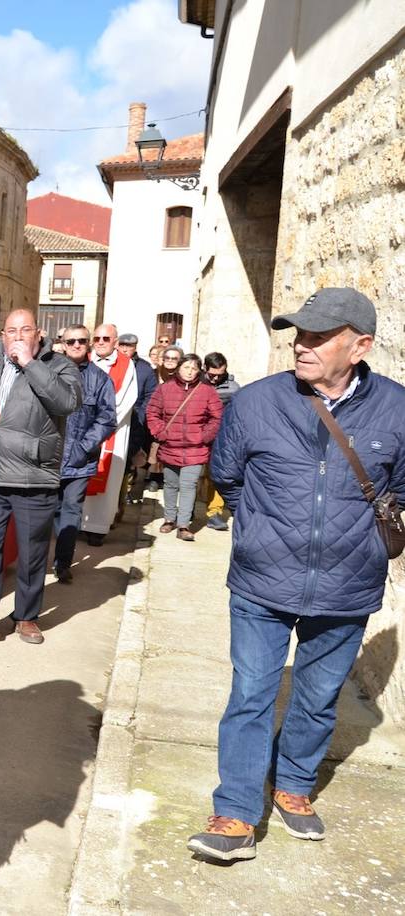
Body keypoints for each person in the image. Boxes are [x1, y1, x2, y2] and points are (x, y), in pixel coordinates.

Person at [187, 288, 405, 863]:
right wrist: (263, 531)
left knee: (317, 696)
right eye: (297, 334)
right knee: (252, 693)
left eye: (317, 336)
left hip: (349, 584)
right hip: (262, 582)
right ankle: (235, 812)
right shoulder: (255, 403)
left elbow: (400, 491)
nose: (300, 346)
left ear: (360, 346)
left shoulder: (397, 408)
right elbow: (227, 478)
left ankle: (294, 785)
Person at [0, 309, 81, 649]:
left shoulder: (59, 366)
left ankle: (26, 616)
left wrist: (30, 363)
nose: (18, 336)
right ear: (3, 334)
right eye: (11, 330)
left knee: (32, 552)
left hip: (33, 475)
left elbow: (66, 402)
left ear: (38, 335)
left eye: (25, 330)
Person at [53, 326, 116, 583]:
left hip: (80, 459)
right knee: (50, 510)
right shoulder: (49, 373)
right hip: (50, 456)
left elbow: (106, 419)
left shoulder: (100, 379)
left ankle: (63, 562)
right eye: (71, 341)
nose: (76, 345)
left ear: (88, 343)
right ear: (63, 344)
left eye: (81, 340)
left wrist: (81, 447)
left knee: (70, 510)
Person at [147, 353, 222, 541]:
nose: (190, 372)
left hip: (195, 448)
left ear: (199, 371)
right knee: (171, 484)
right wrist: (160, 432)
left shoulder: (207, 391)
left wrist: (204, 436)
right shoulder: (165, 389)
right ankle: (169, 519)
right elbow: (153, 412)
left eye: (194, 368)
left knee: (188, 485)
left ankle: (183, 524)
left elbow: (217, 417)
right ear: (179, 368)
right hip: (170, 445)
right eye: (186, 367)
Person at [81, 323, 137, 545]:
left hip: (111, 431)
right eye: (97, 338)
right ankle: (77, 524)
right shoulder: (84, 360)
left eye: (106, 338)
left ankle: (97, 528)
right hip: (81, 429)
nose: (101, 342)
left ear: (115, 342)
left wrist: (101, 423)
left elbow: (126, 399)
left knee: (108, 478)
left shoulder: (126, 365)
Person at [201, 352, 241, 530]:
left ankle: (214, 512)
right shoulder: (197, 383)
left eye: (220, 374)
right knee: (191, 477)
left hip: (221, 437)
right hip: (196, 435)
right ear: (204, 369)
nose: (216, 378)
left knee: (215, 475)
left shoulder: (233, 388)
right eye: (212, 375)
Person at [119, 333, 158, 504]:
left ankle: (123, 495)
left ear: (135, 347)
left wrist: (140, 416)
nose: (125, 349)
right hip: (112, 420)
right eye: (122, 345)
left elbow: (150, 396)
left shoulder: (145, 369)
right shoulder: (110, 364)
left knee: (128, 462)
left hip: (135, 422)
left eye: (129, 346)